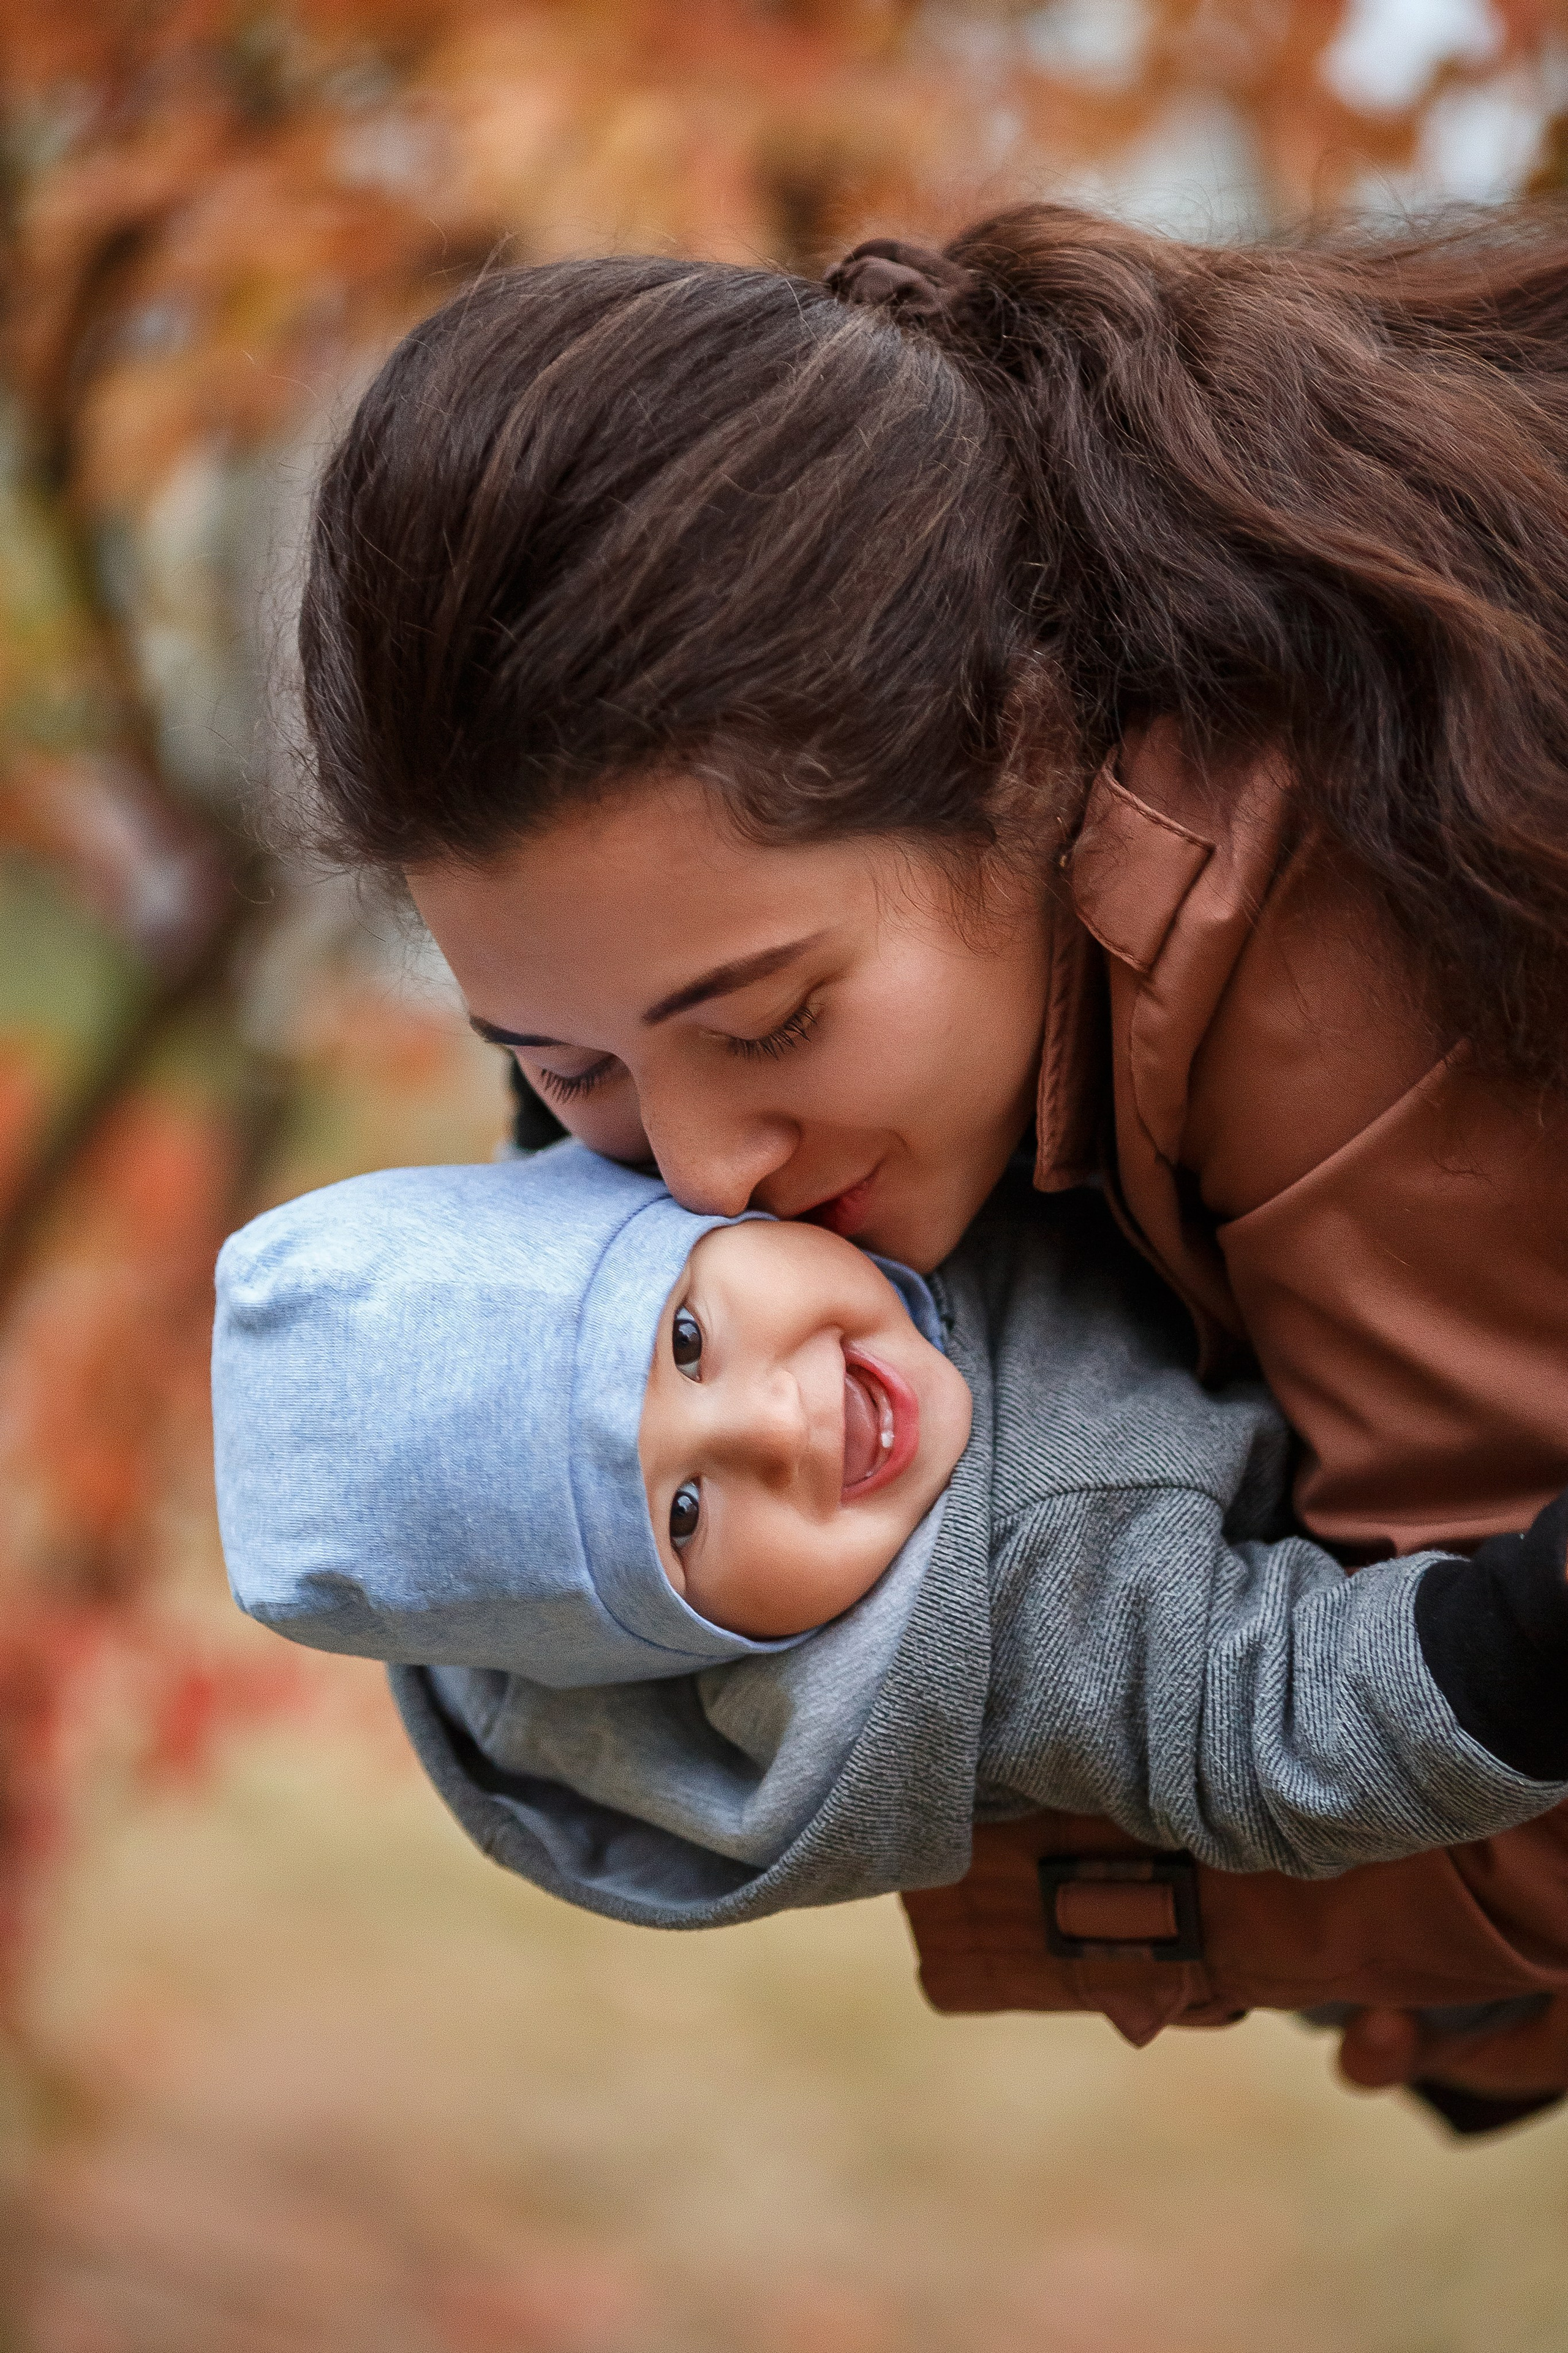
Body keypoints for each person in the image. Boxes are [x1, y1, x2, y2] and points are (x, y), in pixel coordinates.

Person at [291, 202, 1568, 2125]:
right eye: (565, 1064)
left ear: (1025, 750)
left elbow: (1531, 1815)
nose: (705, 1173)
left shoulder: (1333, 945)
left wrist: (953, 1780)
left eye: (770, 1020)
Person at [211, 1141, 1568, 1928]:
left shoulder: (796, 1157)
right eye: (683, 1514)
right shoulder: (997, 1623)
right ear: (693, 1644)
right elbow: (1267, 1727)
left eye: (685, 1340)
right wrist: (1524, 1636)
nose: (776, 1424)